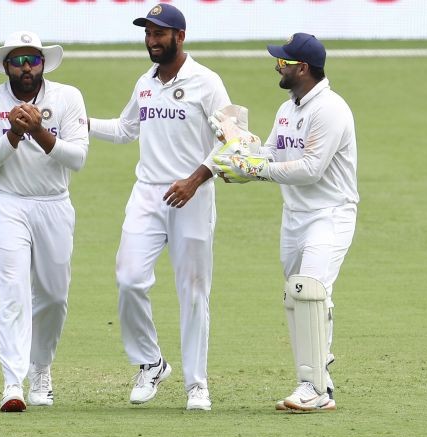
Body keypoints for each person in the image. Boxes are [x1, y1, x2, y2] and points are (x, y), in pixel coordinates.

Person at [88, 4, 231, 411]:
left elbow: (233, 140)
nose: (152, 40)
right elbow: (125, 129)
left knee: (193, 291)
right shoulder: (145, 82)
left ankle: (197, 384)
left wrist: (196, 178)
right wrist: (80, 122)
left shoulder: (206, 82)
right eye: (148, 33)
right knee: (129, 279)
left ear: (179, 37)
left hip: (192, 195)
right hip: (148, 193)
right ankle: (150, 362)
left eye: (160, 33)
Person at [212, 33, 358, 413]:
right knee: (297, 297)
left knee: (308, 289)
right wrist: (237, 147)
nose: (277, 66)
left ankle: (314, 387)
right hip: (294, 216)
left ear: (303, 68)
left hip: (330, 213)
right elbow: (270, 155)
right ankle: (318, 374)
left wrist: (255, 169)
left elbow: (311, 169)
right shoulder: (287, 108)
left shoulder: (330, 109)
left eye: (283, 62)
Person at [0, 31, 89, 412]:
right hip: (7, 203)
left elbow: (77, 158)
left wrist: (37, 130)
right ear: (5, 65)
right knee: (13, 290)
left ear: (43, 65)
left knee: (53, 295)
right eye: (17, 61)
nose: (25, 68)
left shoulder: (68, 97)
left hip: (54, 202)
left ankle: (41, 367)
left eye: (32, 61)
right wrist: (13, 134)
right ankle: (12, 383)